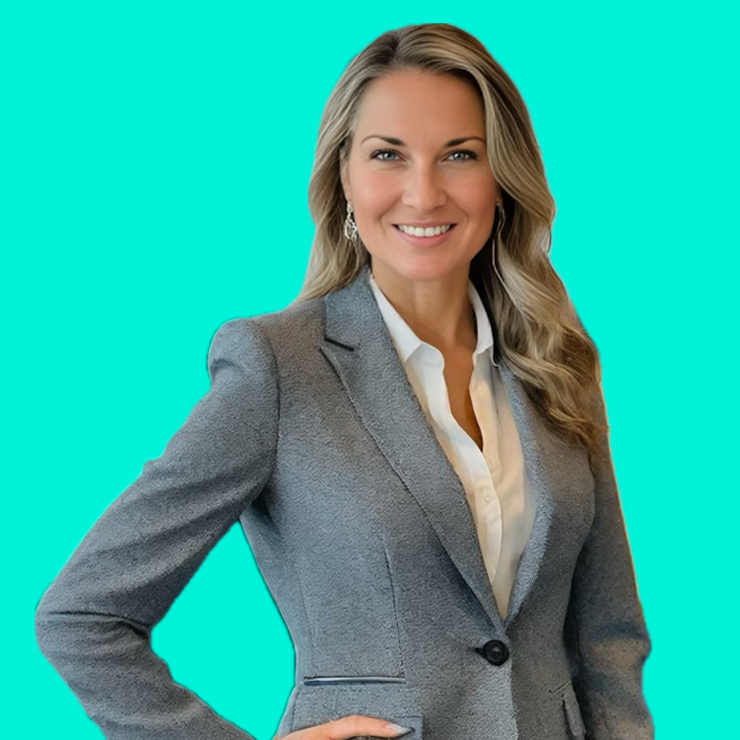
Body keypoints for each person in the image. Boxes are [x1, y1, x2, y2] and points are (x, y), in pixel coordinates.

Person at [34, 22, 653, 740]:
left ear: (501, 180)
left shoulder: (555, 361)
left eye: (460, 154)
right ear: (345, 180)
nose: (423, 193)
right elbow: (82, 616)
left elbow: (608, 638)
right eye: (388, 155)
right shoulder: (277, 366)